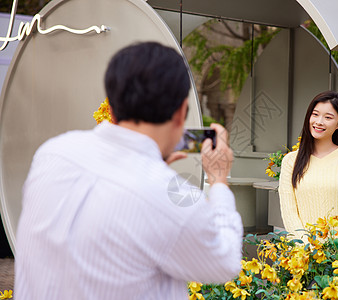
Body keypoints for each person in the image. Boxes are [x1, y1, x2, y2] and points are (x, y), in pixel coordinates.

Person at [14, 42, 243, 299]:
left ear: (110, 108)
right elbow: (225, 261)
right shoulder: (173, 198)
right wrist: (219, 180)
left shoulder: (51, 154)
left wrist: (153, 170)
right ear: (181, 113)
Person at [278, 91, 338, 243]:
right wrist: (308, 248)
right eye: (315, 114)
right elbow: (289, 213)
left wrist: (332, 248)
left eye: (328, 117)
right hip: (301, 257)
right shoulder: (290, 161)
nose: (319, 121)